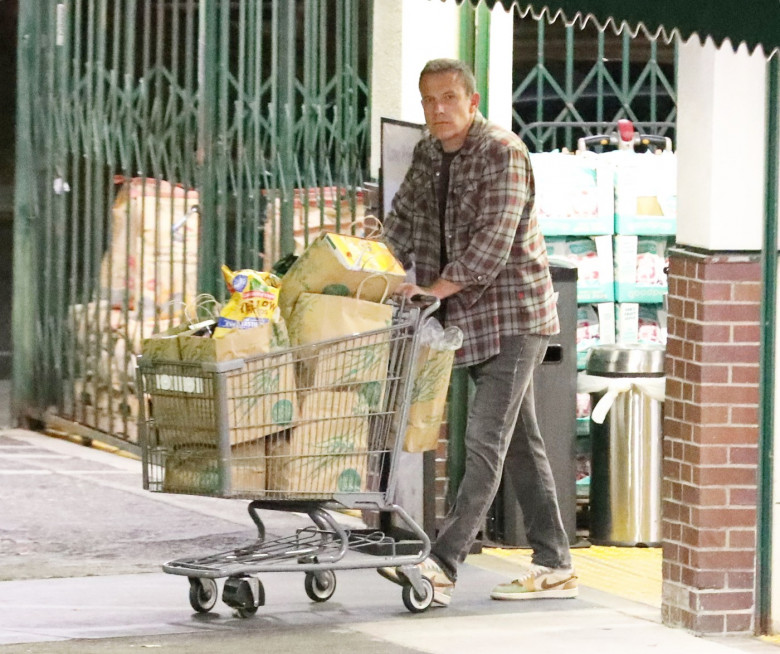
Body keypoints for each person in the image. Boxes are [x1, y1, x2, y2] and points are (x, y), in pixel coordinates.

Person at [380, 58, 577, 606]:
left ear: (472, 99)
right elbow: (403, 221)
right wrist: (365, 266)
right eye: (428, 101)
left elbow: (494, 240)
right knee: (517, 442)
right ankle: (555, 562)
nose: (438, 110)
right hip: (467, 320)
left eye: (448, 98)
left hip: (514, 316)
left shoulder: (503, 152)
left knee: (484, 440)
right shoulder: (427, 154)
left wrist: (436, 289)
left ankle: (442, 564)